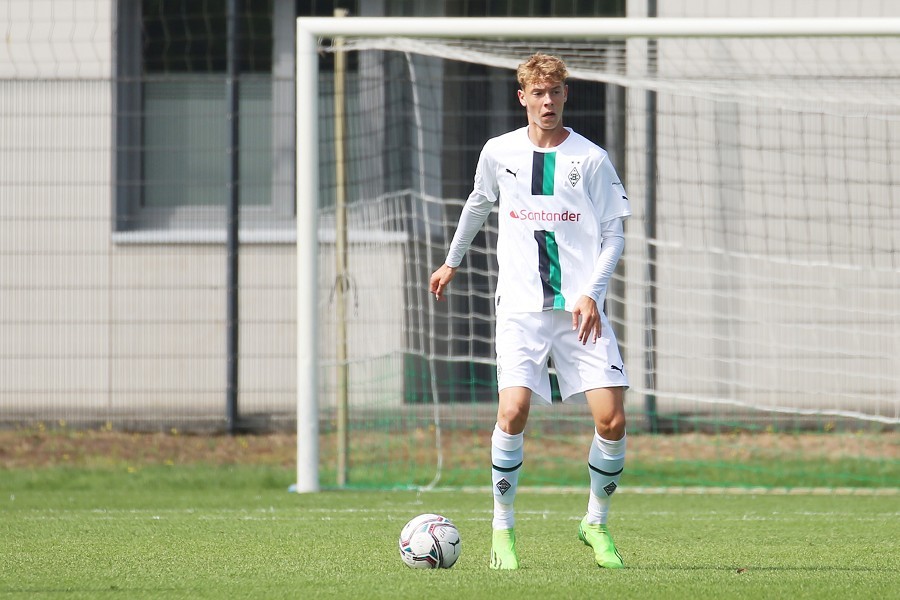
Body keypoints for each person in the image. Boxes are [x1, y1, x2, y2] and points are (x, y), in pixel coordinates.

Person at [429, 53, 631, 570]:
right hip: (520, 308)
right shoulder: (499, 152)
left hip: (580, 311)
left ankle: (596, 523)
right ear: (523, 97)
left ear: (566, 96)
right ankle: (503, 530)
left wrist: (592, 291)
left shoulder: (590, 159)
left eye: (555, 92)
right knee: (512, 412)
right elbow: (478, 202)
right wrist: (452, 262)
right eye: (537, 93)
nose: (547, 101)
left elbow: (614, 234)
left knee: (611, 421)